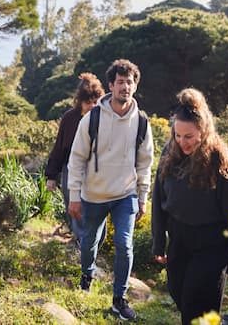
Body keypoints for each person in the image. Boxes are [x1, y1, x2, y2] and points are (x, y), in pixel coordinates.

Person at [151, 88, 228, 325]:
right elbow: (158, 198)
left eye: (189, 136)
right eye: (178, 135)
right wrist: (158, 241)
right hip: (180, 239)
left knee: (194, 302)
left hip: (212, 245)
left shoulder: (221, 159)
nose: (182, 142)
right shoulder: (169, 152)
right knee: (178, 293)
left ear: (203, 131)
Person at [67, 59, 154, 321]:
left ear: (135, 86)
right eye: (120, 82)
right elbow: (77, 157)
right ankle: (87, 274)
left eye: (129, 82)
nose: (125, 87)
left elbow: (145, 162)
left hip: (125, 195)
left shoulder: (141, 121)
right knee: (90, 241)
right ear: (111, 85)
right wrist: (74, 196)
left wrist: (143, 197)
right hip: (93, 195)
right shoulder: (93, 117)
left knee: (124, 245)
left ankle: (119, 299)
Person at [45, 72, 105, 244]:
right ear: (80, 102)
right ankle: (81, 243)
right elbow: (59, 148)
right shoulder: (70, 118)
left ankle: (94, 246)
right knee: (74, 207)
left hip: (96, 170)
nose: (92, 107)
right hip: (70, 169)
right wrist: (51, 176)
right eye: (88, 103)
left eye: (95, 102)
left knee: (97, 210)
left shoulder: (105, 119)